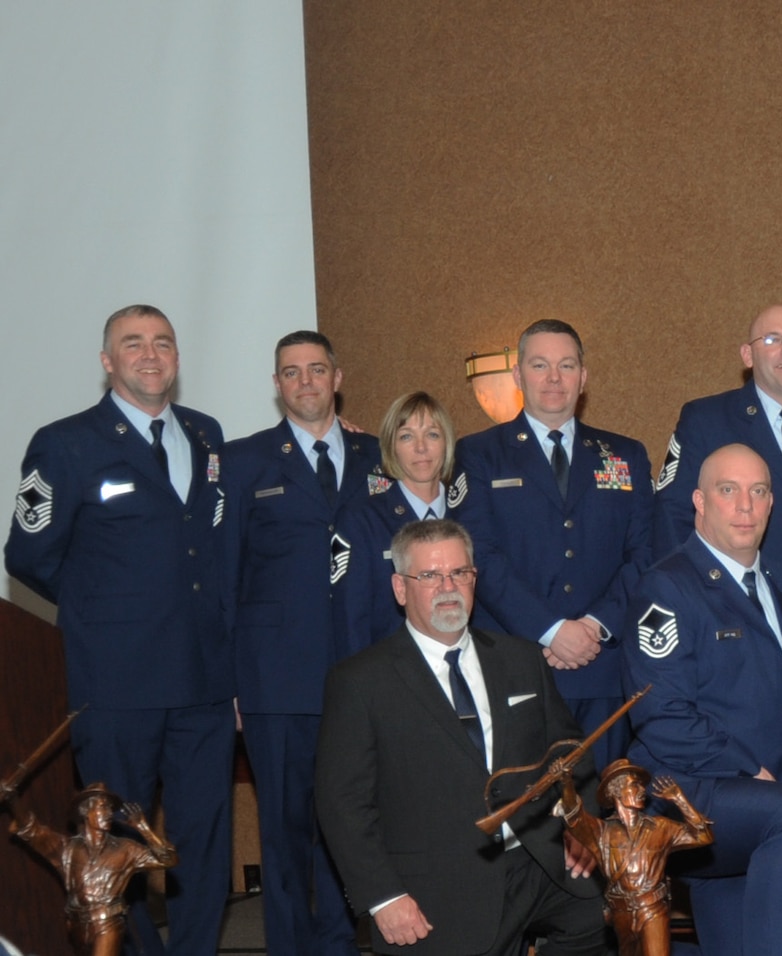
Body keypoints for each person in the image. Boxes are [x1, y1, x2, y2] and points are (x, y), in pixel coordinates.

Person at [5, 304, 233, 956]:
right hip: (115, 684)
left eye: (163, 342)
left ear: (177, 358)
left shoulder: (207, 435)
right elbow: (27, 553)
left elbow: (213, 543)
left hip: (204, 681)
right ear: (108, 363)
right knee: (112, 847)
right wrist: (103, 610)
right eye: (133, 344)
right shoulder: (67, 442)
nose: (150, 354)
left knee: (202, 840)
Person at [315, 518, 607, 955]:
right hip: (435, 887)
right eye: (430, 576)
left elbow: (571, 754)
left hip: (536, 863)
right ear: (400, 588)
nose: (448, 586)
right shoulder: (360, 682)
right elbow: (342, 805)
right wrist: (383, 899)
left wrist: (576, 829)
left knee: (606, 917)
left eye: (460, 573)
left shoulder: (522, 659)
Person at [624, 444, 782, 956]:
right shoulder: (668, 587)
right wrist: (748, 770)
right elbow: (661, 715)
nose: (745, 506)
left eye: (758, 492)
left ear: (770, 505)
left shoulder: (777, 588)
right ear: (699, 501)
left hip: (762, 799)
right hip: (693, 789)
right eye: (728, 490)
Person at [219, 329, 382, 955]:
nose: (306, 382)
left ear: (337, 378)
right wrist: (232, 683)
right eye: (291, 372)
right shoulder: (242, 462)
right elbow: (227, 579)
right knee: (285, 834)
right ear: (277, 384)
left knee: (349, 826)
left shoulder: (378, 455)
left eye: (317, 369)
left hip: (362, 676)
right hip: (276, 681)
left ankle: (341, 945)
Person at [453, 319, 654, 770]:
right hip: (518, 665)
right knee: (527, 820)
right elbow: (478, 554)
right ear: (518, 376)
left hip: (603, 667)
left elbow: (645, 555)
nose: (554, 378)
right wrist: (552, 629)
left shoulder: (625, 455)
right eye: (540, 365)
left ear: (584, 378)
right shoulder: (480, 453)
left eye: (566, 366)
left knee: (604, 820)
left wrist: (596, 626)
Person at [654, 304, 782, 629]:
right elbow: (672, 519)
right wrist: (692, 605)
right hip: (735, 619)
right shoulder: (706, 421)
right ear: (746, 355)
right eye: (772, 340)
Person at [336, 391, 462, 658]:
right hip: (390, 674)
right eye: (406, 436)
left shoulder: (468, 513)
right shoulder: (362, 520)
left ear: (447, 443)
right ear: (391, 447)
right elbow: (351, 618)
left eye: (432, 434)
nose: (421, 448)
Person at [557, 759, 715, 956]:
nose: (642, 790)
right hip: (621, 914)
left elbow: (704, 836)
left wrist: (680, 799)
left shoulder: (661, 828)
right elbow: (574, 816)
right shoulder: (601, 832)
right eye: (634, 784)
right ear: (616, 791)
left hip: (653, 910)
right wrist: (566, 782)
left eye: (641, 784)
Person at [7, 785, 178, 956]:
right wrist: (14, 800)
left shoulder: (126, 849)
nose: (109, 813)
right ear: (85, 812)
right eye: (102, 807)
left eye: (110, 809)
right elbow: (32, 830)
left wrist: (144, 829)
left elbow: (169, 859)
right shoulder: (67, 849)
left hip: (108, 925)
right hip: (77, 926)